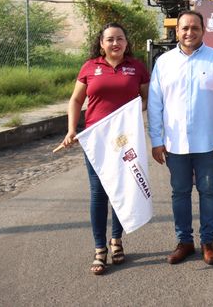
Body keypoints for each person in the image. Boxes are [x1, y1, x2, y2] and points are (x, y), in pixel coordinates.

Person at [148, 10, 213, 266]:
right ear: (176, 31)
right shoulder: (163, 62)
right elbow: (155, 104)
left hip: (209, 142)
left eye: (194, 28)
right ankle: (184, 241)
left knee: (208, 192)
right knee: (180, 193)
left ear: (203, 30)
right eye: (184, 28)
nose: (189, 32)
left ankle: (208, 241)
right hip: (175, 144)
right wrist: (156, 140)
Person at [61, 22, 149, 275]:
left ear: (126, 42)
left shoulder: (137, 67)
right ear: (101, 43)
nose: (115, 43)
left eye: (120, 38)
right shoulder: (90, 67)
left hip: (124, 140)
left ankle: (116, 240)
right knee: (99, 193)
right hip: (96, 140)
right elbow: (76, 100)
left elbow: (146, 98)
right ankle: (100, 248)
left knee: (121, 188)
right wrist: (71, 129)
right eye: (110, 39)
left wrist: (129, 113)